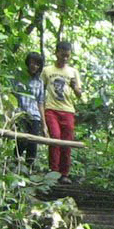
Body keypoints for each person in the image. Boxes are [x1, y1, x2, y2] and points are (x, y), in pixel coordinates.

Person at [42, 40, 84, 180]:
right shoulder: (47, 70)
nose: (65, 58)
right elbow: (39, 90)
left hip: (68, 110)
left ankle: (64, 174)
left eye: (67, 56)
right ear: (56, 53)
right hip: (51, 109)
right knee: (55, 139)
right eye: (62, 55)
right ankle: (53, 172)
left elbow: (79, 94)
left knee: (67, 142)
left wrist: (74, 87)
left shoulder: (73, 72)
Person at [11, 51, 45, 166]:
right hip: (21, 114)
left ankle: (29, 168)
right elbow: (12, 96)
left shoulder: (40, 82)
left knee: (33, 143)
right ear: (28, 63)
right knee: (21, 140)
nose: (34, 66)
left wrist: (44, 124)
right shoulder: (18, 78)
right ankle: (15, 165)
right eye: (32, 62)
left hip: (35, 116)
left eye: (37, 64)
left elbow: (40, 103)